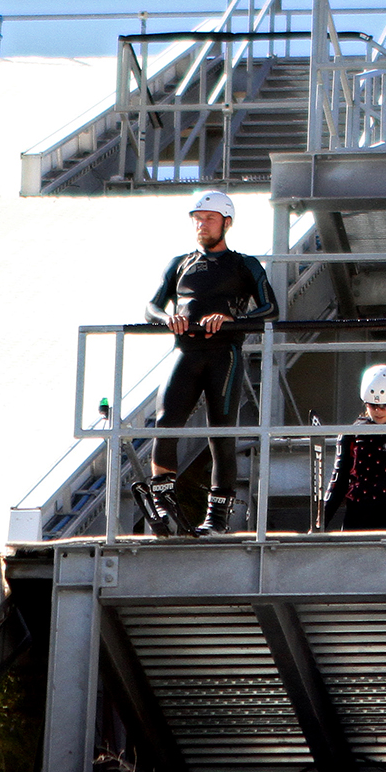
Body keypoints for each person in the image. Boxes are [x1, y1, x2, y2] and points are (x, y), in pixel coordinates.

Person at [146, 190, 278, 537]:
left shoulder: (244, 264)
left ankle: (216, 518)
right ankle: (162, 500)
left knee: (221, 432)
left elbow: (269, 308)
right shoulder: (179, 263)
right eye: (197, 219)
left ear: (227, 223)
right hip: (185, 351)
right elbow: (151, 307)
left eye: (209, 219)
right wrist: (168, 317)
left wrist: (232, 320)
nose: (201, 225)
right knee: (165, 423)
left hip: (225, 354)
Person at [323, 364, 386, 532]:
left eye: (385, 406)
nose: (378, 411)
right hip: (357, 520)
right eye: (372, 406)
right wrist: (320, 522)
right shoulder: (351, 434)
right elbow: (338, 481)